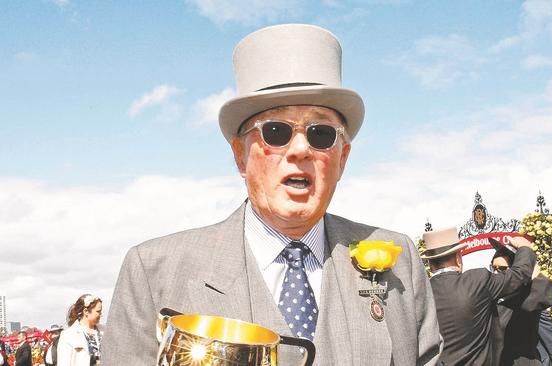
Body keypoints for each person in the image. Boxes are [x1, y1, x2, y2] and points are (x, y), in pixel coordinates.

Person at [102, 23, 442, 365]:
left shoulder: (401, 262)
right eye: (276, 132)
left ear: (343, 158)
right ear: (239, 155)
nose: (300, 149)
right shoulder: (153, 271)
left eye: (321, 134)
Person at [422, 227, 536, 366]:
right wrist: (525, 247)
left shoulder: (421, 294)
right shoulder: (476, 281)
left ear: (430, 263)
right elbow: (520, 275)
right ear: (458, 258)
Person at [491, 247, 552, 366]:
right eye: (493, 268)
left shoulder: (529, 298)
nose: (496, 273)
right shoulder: (491, 297)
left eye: (502, 269)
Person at [58, 294, 103, 366]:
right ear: (86, 312)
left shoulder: (105, 332)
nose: (101, 314)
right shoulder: (68, 335)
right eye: (98, 311)